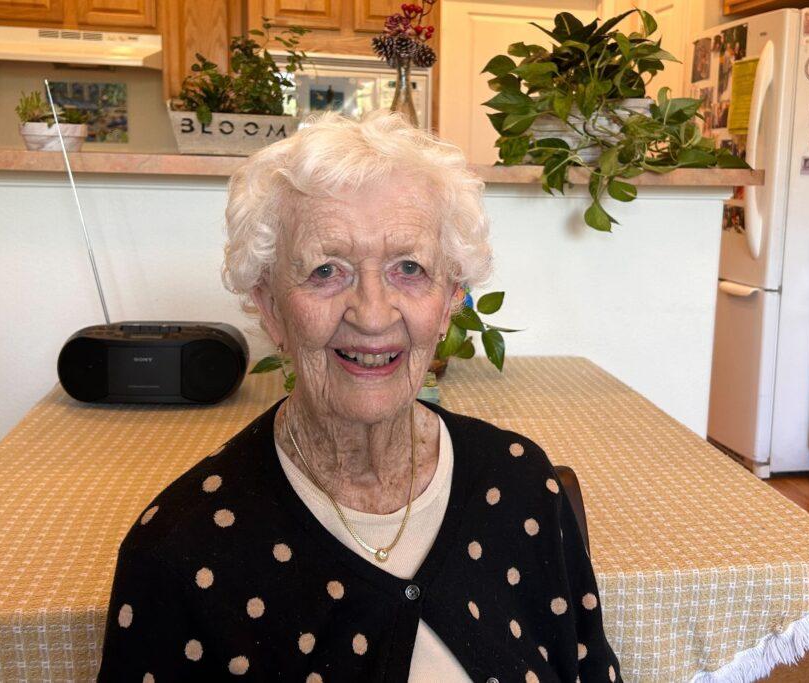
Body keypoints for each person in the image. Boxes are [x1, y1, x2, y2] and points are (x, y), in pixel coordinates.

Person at [96, 110, 622, 682]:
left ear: (450, 301)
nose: (372, 314)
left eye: (409, 268)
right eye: (326, 270)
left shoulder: (521, 486)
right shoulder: (180, 551)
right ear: (271, 307)